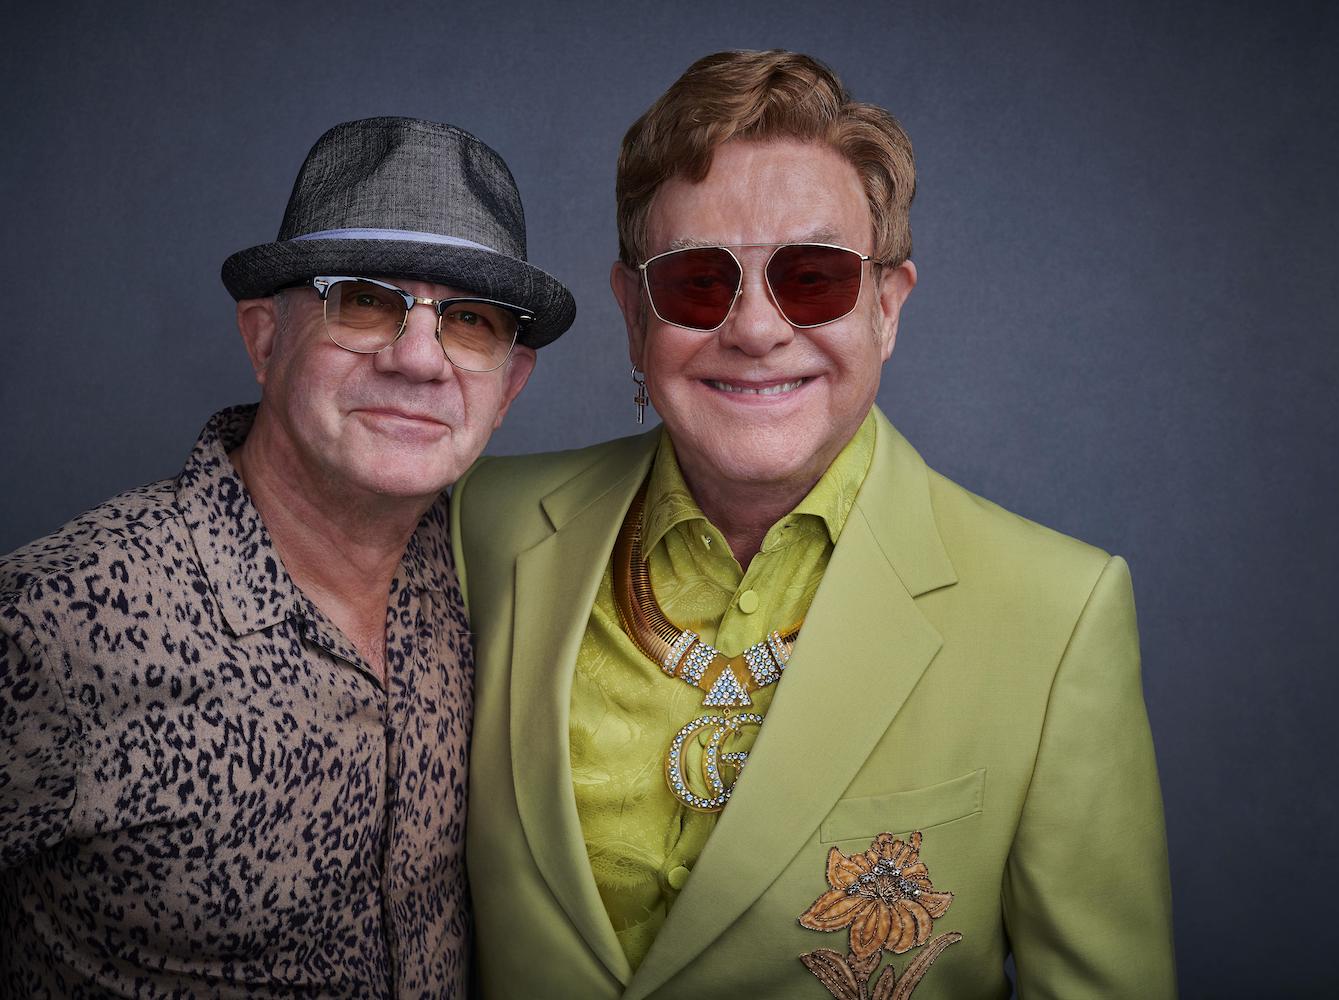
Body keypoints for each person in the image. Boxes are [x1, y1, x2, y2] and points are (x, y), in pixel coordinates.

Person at [455, 50, 1175, 998]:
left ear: (887, 307)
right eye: (700, 284)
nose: (755, 329)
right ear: (635, 316)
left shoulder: (1058, 614)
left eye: (814, 277)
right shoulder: (478, 527)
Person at [0, 116, 574, 998]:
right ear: (265, 339)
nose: (420, 358)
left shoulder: (496, 580)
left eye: (470, 321)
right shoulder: (54, 620)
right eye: (366, 300)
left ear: (509, 387)